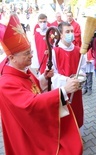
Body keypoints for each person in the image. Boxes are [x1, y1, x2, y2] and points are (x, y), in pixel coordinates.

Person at [0, 14, 83, 155]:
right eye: (27, 53)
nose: (32, 55)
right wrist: (63, 90)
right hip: (26, 131)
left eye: (31, 51)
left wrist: (44, 78)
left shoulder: (22, 69)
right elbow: (30, 104)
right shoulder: (5, 83)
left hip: (34, 123)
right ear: (12, 58)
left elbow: (34, 86)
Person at [51, 21, 84, 128]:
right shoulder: (55, 52)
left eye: (72, 31)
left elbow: (83, 69)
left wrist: (79, 78)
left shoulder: (79, 51)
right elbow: (52, 74)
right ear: (60, 35)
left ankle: (77, 137)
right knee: (64, 116)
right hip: (62, 90)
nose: (71, 34)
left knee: (76, 112)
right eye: (67, 31)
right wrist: (67, 80)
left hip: (76, 89)